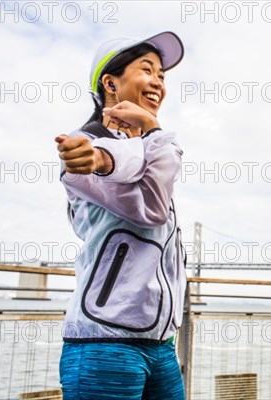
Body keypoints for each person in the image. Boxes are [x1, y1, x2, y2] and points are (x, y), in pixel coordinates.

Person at [55, 32, 187, 399]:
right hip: (104, 343)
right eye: (147, 70)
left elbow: (135, 159)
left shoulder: (146, 146)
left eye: (162, 74)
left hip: (160, 345)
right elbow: (153, 208)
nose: (158, 82)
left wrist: (148, 135)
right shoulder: (83, 143)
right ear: (110, 83)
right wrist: (99, 159)